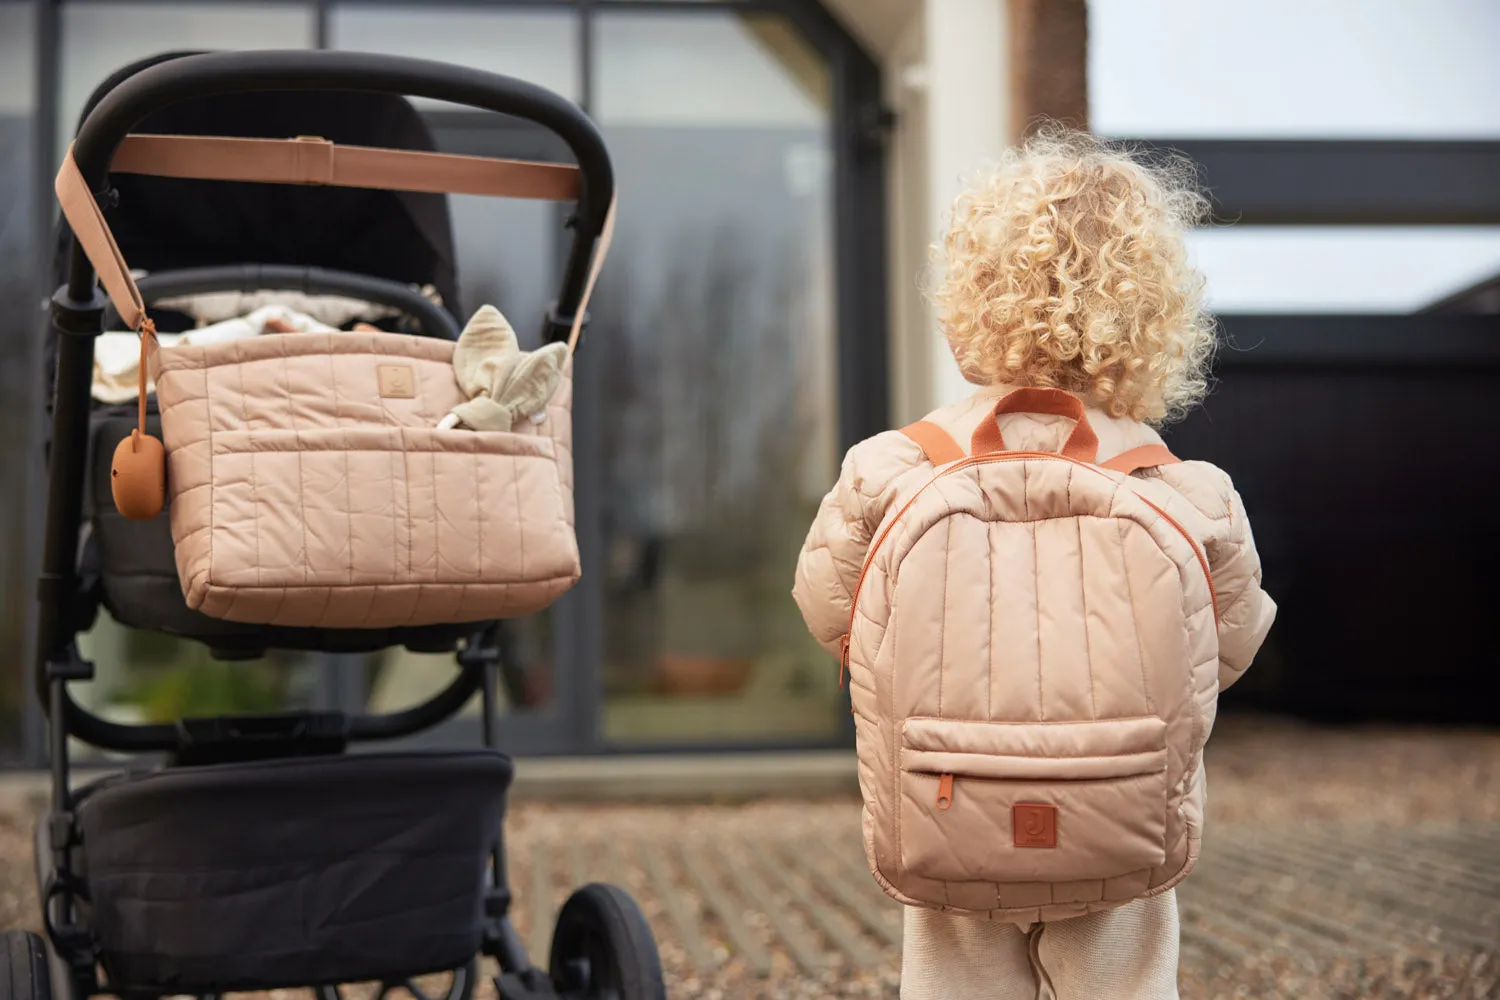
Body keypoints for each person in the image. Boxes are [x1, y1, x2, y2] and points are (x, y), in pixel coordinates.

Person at [792, 129, 1276, 1000]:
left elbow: (830, 615)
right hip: (1119, 805)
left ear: (970, 295)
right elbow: (1228, 649)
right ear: (1153, 316)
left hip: (948, 797)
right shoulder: (1186, 490)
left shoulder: (892, 467)